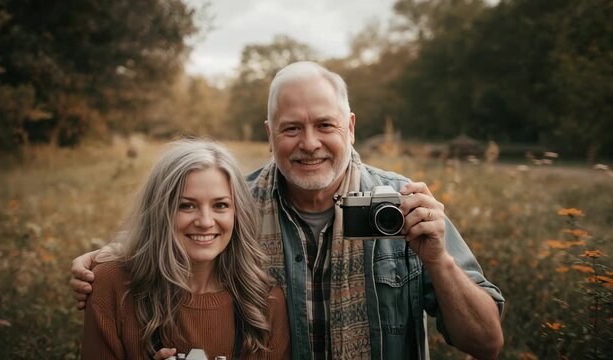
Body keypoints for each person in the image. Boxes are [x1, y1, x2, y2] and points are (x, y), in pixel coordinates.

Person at [73, 61, 504, 360]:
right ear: (270, 134)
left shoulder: (401, 205)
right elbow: (178, 226)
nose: (310, 143)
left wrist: (438, 260)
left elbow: (486, 344)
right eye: (292, 128)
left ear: (350, 127)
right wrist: (104, 260)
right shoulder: (237, 204)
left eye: (325, 125)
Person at [81, 139, 290, 359]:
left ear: (237, 213)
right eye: (187, 205)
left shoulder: (266, 302)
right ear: (160, 211)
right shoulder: (112, 284)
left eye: (220, 205)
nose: (205, 221)